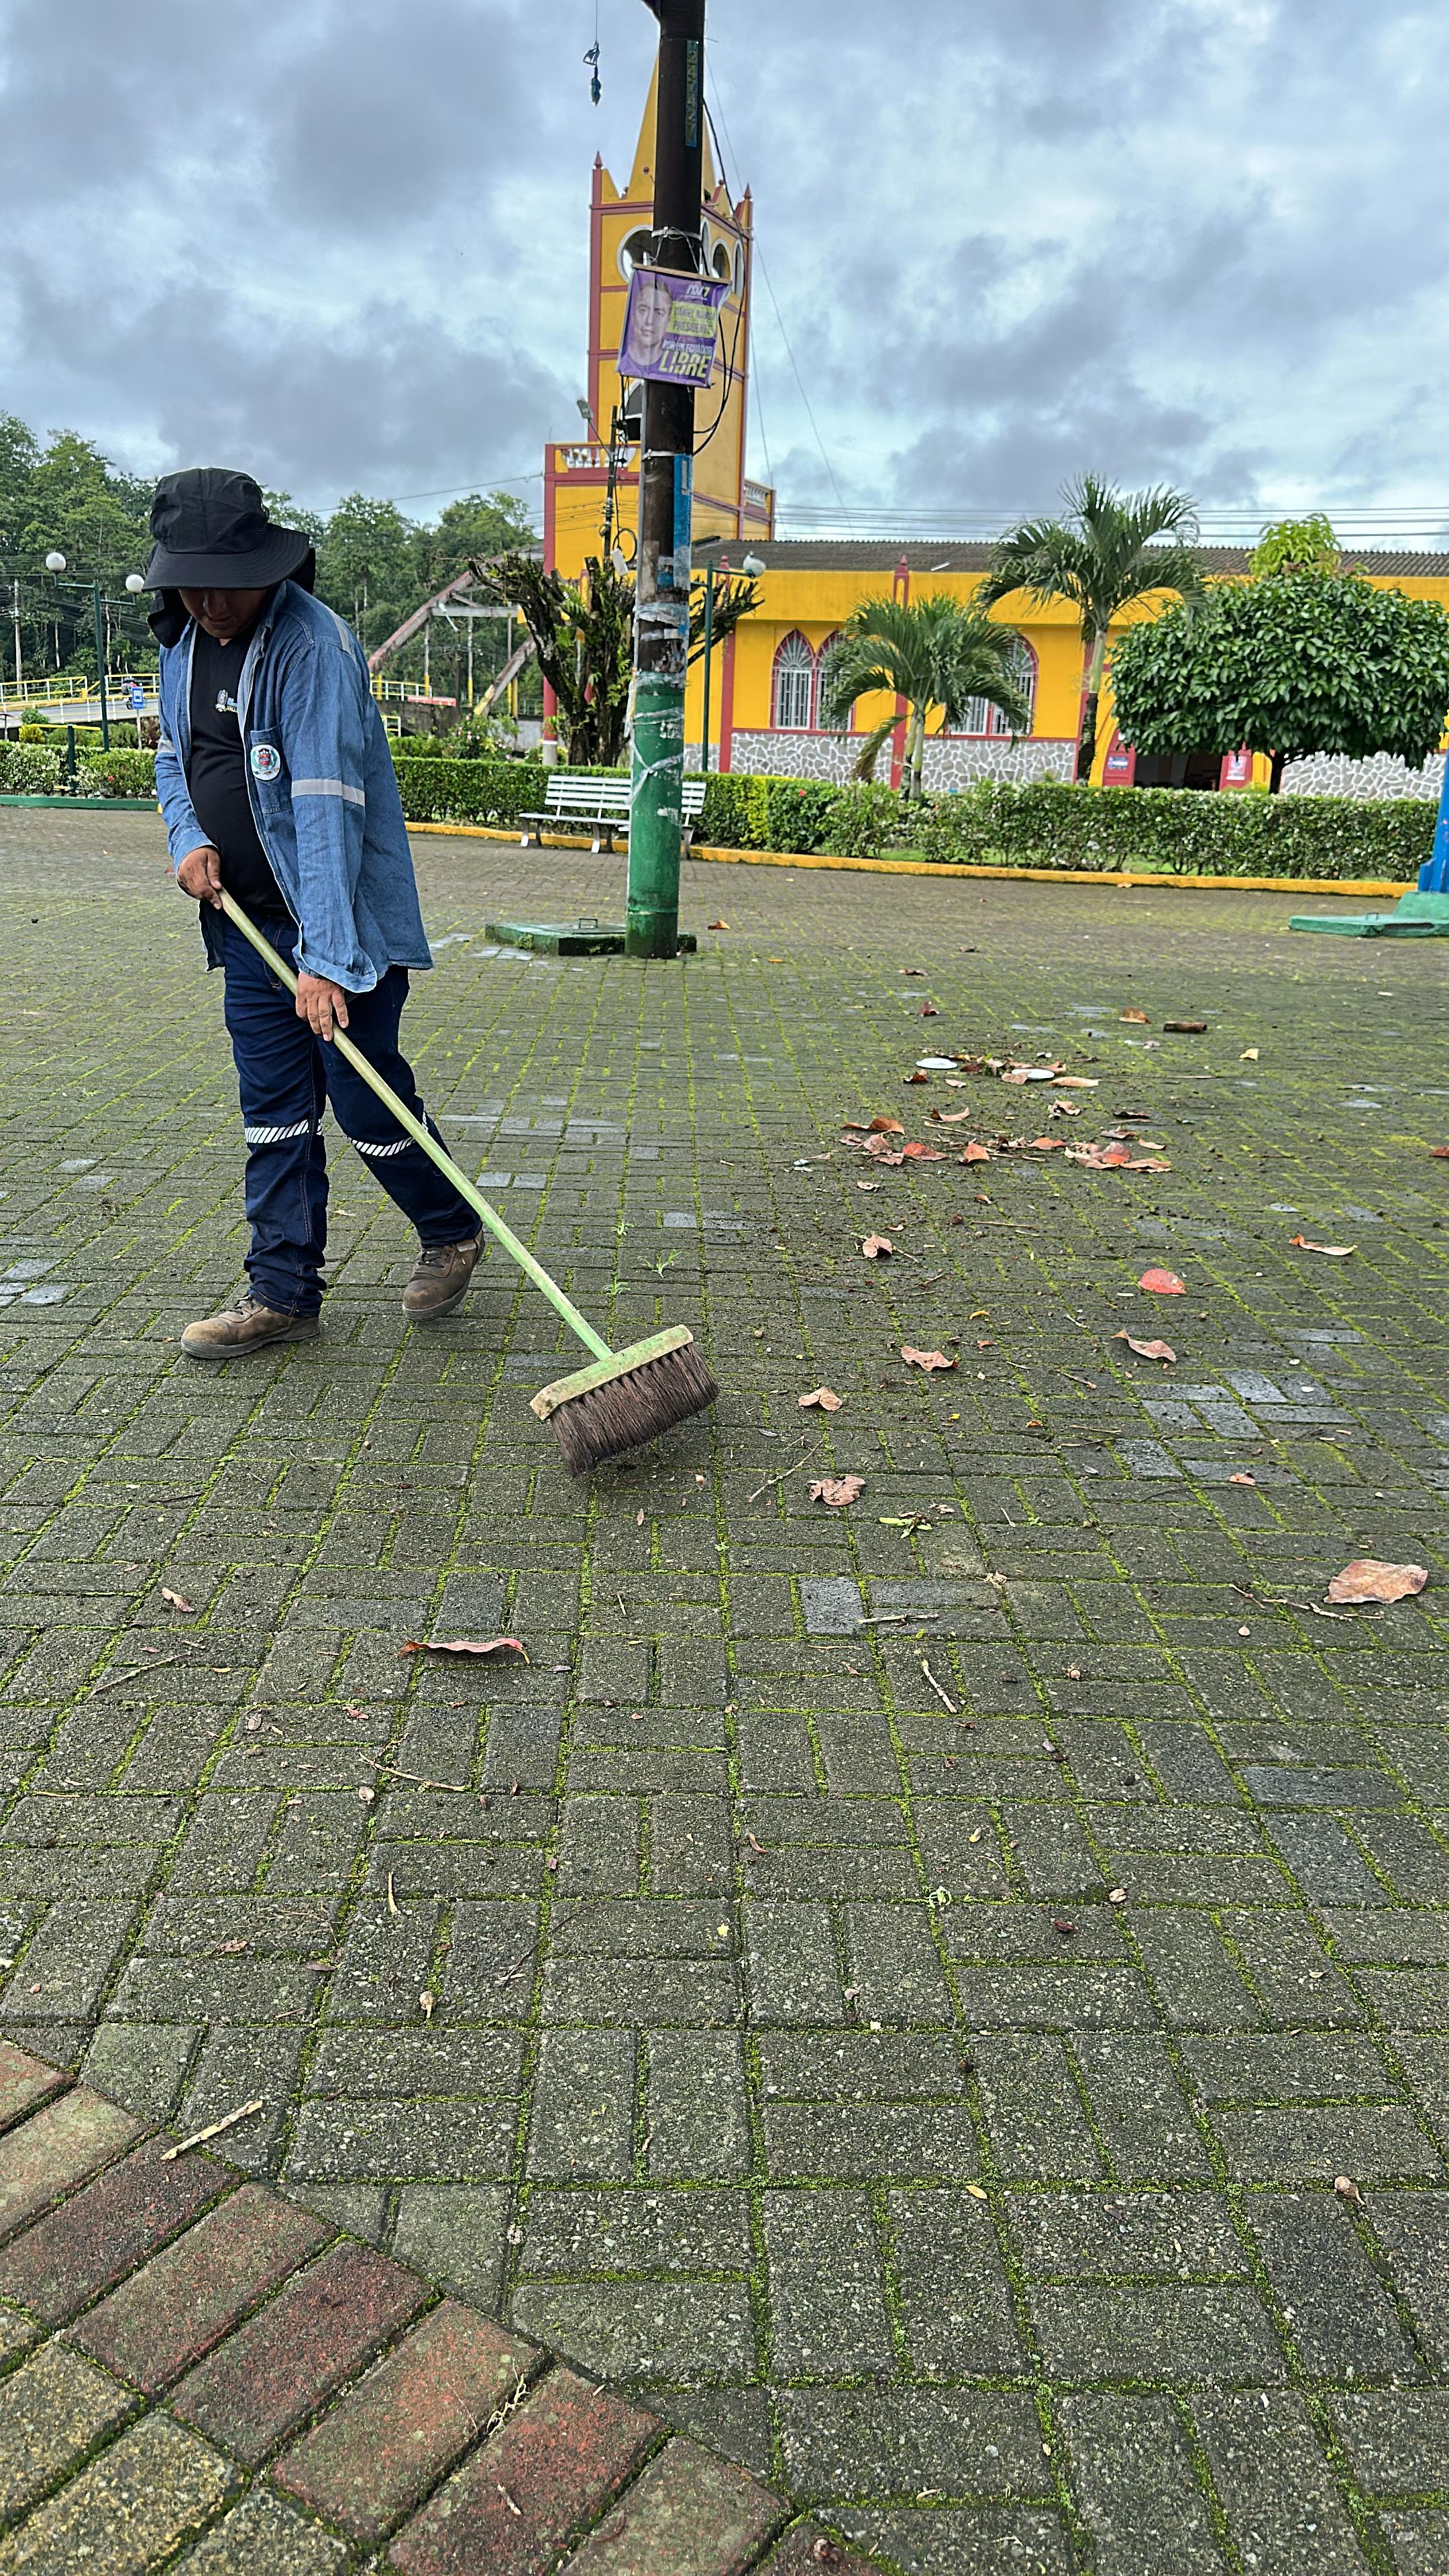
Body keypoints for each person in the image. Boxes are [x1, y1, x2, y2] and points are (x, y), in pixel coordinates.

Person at [146, 468, 482, 1362]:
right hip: (246, 926)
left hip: (342, 927)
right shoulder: (182, 645)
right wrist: (187, 837)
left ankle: (452, 1229)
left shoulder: (313, 648)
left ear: (266, 566)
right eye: (194, 585)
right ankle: (282, 1294)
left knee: (365, 1100)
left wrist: (326, 959)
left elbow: (328, 808)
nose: (212, 604)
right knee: (274, 1112)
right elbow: (174, 757)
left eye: (229, 584)